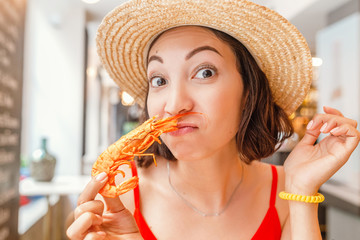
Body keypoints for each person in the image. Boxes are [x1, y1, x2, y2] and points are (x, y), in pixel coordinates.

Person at [66, 0, 360, 239]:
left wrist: (301, 192)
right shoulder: (116, 203)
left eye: (204, 72)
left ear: (249, 91)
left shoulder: (289, 190)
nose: (175, 104)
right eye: (159, 79)